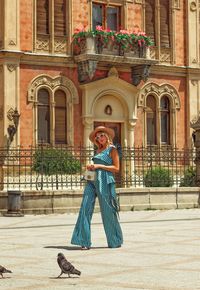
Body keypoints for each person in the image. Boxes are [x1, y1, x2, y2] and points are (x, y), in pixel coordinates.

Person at [71, 126, 123, 249]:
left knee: (108, 211)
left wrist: (99, 165)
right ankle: (83, 241)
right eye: (97, 137)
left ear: (107, 136)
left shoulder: (112, 150)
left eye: (102, 135)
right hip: (92, 180)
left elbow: (116, 168)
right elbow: (96, 166)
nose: (100, 138)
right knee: (85, 207)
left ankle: (115, 240)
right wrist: (91, 167)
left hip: (105, 180)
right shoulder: (97, 151)